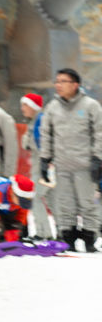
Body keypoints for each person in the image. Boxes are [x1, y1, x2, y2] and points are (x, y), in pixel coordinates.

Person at [39, 68, 101, 252]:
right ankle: (68, 239)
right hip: (62, 166)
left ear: (75, 84)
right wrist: (45, 158)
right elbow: (46, 134)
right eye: (57, 81)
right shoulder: (52, 107)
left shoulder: (90, 106)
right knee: (65, 205)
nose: (58, 85)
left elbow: (99, 133)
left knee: (87, 204)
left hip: (85, 166)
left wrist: (98, 158)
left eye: (63, 81)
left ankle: (89, 239)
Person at [19, 93, 54, 240]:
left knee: (35, 197)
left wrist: (48, 164)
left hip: (44, 166)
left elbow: (42, 145)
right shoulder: (34, 121)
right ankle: (57, 233)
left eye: (25, 105)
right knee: (51, 198)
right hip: (42, 165)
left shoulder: (41, 120)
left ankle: (43, 233)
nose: (22, 108)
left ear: (33, 106)